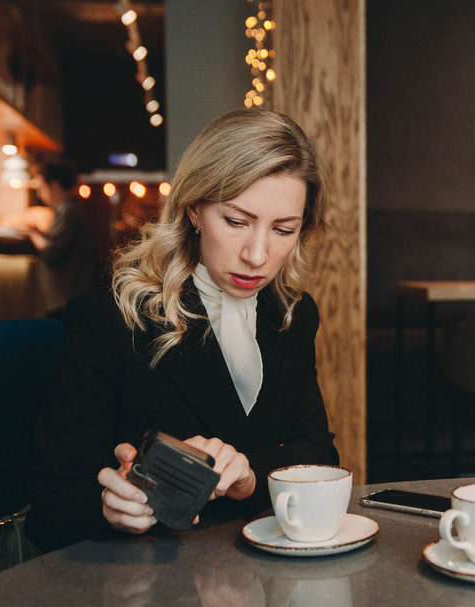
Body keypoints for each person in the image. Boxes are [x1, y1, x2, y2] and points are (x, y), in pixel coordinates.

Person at [26, 108, 339, 551]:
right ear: (194, 208)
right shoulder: (110, 321)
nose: (257, 255)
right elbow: (50, 508)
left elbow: (319, 455)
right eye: (236, 221)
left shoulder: (293, 313)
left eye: (283, 229)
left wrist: (249, 476)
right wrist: (109, 507)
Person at [22, 158, 94, 316]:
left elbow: (51, 250)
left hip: (65, 297)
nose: (39, 194)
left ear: (54, 186)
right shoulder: (67, 211)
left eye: (41, 187)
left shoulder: (68, 211)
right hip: (67, 297)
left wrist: (31, 232)